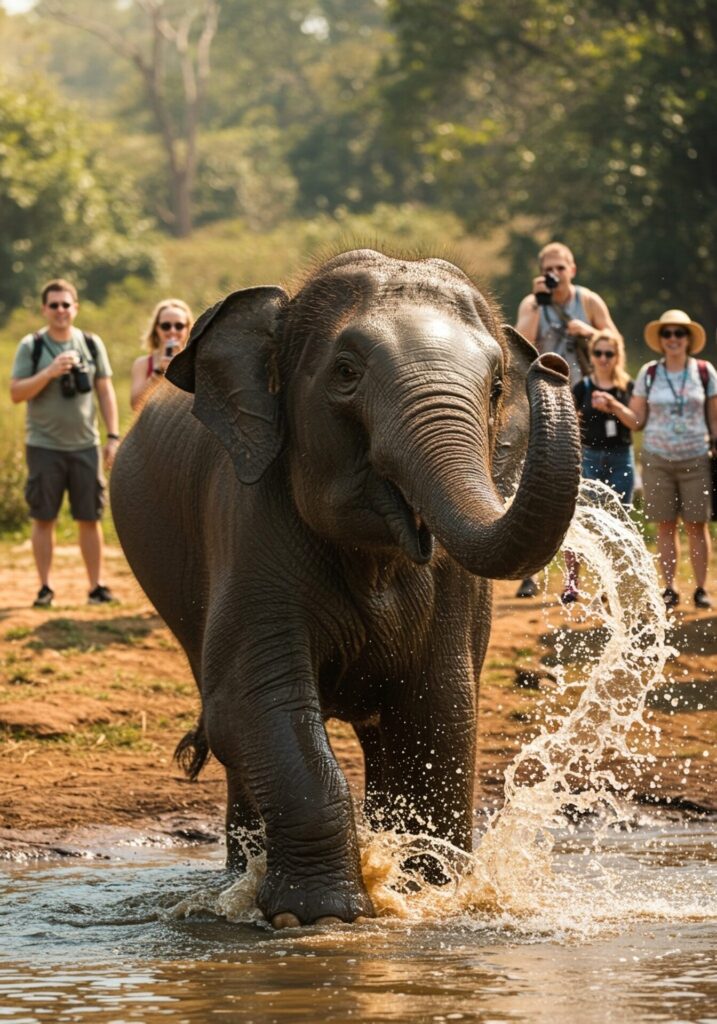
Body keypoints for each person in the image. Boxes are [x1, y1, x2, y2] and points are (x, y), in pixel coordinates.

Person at [514, 241, 620, 598]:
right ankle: (529, 573)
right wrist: (537, 304)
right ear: (541, 271)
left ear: (572, 270)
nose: (555, 274)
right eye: (549, 268)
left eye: (561, 268)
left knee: (579, 489)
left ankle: (578, 579)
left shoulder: (588, 301)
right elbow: (519, 344)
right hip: (543, 403)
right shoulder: (531, 303)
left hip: (585, 402)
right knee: (534, 483)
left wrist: (587, 331)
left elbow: (614, 339)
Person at [10, 279, 120, 607]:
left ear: (76, 308)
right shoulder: (32, 346)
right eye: (54, 305)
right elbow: (16, 393)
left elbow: (105, 391)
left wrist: (112, 436)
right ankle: (45, 588)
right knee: (44, 517)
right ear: (44, 309)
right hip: (44, 445)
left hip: (86, 444)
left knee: (90, 517)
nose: (61, 310)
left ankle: (96, 587)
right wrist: (49, 372)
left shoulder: (91, 343)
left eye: (66, 304)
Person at [630, 309, 717, 610]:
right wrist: (612, 406)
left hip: (696, 457)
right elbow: (637, 419)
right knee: (665, 526)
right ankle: (669, 588)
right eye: (667, 333)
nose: (673, 338)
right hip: (657, 459)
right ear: (661, 339)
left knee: (697, 525)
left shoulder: (704, 372)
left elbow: (714, 419)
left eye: (679, 333)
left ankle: (701, 589)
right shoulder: (649, 373)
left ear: (688, 339)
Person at [561, 329, 637, 603]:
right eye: (598, 353)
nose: (603, 358)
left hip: (620, 456)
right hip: (589, 456)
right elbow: (568, 423)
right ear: (591, 356)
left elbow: (636, 422)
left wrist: (614, 406)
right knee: (581, 519)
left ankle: (611, 583)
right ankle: (572, 583)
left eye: (609, 353)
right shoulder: (582, 388)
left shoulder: (627, 387)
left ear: (617, 356)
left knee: (619, 521)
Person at [130, 298, 193, 410]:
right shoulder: (143, 364)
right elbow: (135, 405)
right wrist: (158, 372)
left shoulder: (196, 361)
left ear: (188, 328)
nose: (172, 331)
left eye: (179, 326)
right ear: (156, 328)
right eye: (166, 326)